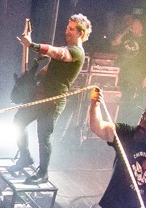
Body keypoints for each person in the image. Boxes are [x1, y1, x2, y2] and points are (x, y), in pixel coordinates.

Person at [9, 14, 90, 184]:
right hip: (41, 95)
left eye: (71, 29)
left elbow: (58, 53)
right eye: (68, 27)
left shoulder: (76, 52)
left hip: (53, 101)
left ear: (80, 33)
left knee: (43, 136)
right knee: (18, 121)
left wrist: (32, 45)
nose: (67, 31)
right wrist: (32, 78)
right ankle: (25, 156)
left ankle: (43, 173)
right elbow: (49, 69)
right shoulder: (68, 48)